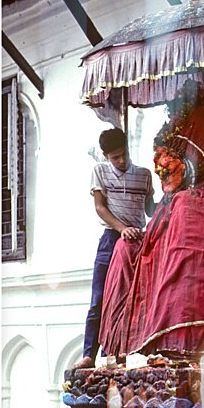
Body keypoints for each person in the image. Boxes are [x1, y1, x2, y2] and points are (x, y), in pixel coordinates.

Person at [100, 81, 204, 360]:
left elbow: (203, 162)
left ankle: (182, 339)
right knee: (124, 252)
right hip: (174, 202)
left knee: (184, 209)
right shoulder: (175, 126)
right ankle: (116, 348)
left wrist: (176, 187)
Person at [74, 127, 154, 369]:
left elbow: (150, 209)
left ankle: (122, 354)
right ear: (105, 155)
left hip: (138, 243)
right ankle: (90, 354)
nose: (120, 160)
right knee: (100, 298)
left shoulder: (144, 175)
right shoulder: (99, 171)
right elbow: (100, 207)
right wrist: (121, 228)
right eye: (114, 157)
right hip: (111, 239)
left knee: (133, 300)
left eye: (123, 154)